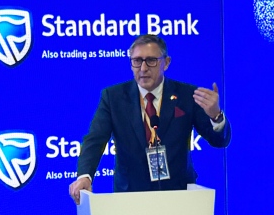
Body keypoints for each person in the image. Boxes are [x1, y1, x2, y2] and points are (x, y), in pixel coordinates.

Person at [69, 34, 230, 202]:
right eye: (137, 61)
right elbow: (95, 140)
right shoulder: (113, 97)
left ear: (166, 63)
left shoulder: (186, 95)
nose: (143, 68)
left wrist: (215, 116)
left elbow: (220, 141)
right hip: (129, 196)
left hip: (179, 195)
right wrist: (84, 176)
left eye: (151, 60)